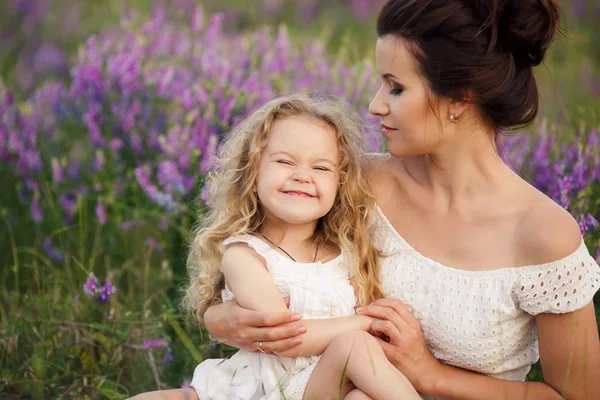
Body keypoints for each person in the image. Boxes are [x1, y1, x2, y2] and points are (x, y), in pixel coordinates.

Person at [133, 0, 600, 399]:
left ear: (459, 96)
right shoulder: (358, 183)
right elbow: (263, 255)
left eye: (396, 87)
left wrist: (431, 376)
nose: (376, 104)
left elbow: (576, 395)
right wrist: (221, 319)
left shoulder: (542, 233)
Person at [131, 93, 421, 399]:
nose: (301, 176)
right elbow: (285, 336)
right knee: (355, 345)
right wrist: (364, 324)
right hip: (266, 388)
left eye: (321, 168)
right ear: (253, 171)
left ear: (340, 183)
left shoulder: (347, 256)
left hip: (321, 385)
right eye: (284, 161)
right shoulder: (244, 255)